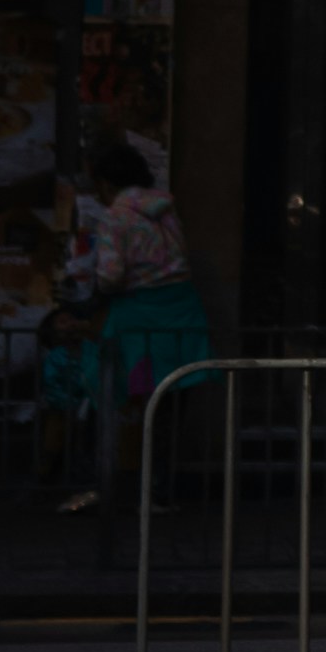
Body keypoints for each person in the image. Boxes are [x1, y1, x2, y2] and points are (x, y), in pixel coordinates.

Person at [49, 124, 211, 515]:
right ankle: (158, 491)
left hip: (137, 320)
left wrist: (87, 305)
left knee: (110, 395)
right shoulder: (166, 209)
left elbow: (110, 276)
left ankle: (103, 484)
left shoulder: (116, 218)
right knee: (169, 405)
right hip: (182, 315)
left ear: (105, 183)